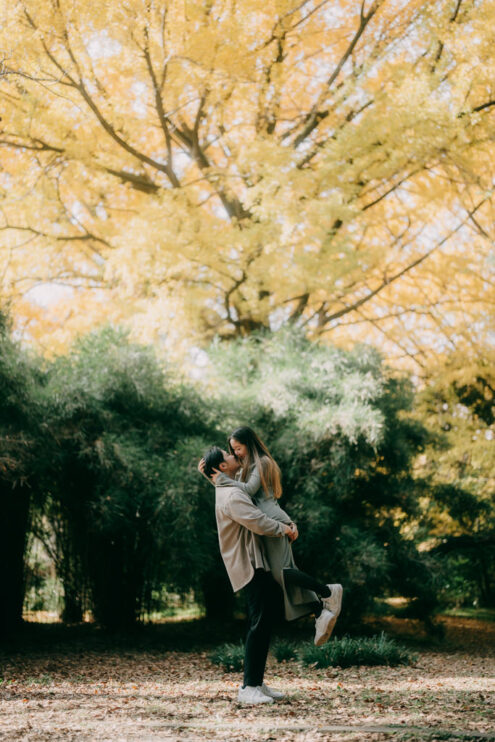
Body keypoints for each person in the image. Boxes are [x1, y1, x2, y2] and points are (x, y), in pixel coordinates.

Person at [207, 426, 343, 639]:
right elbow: (231, 494)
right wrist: (211, 476)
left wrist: (220, 480)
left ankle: (327, 592)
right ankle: (319, 611)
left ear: (250, 444)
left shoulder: (262, 462)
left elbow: (247, 491)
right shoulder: (246, 466)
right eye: (232, 451)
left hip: (272, 519)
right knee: (279, 574)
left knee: (282, 571)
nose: (236, 454)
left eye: (238, 448)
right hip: (267, 522)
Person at [203, 446, 297, 705]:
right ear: (222, 467)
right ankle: (249, 687)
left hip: (256, 563)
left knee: (263, 622)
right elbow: (257, 521)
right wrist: (285, 529)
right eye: (229, 455)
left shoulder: (228, 487)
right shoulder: (232, 495)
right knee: (259, 623)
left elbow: (234, 478)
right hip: (249, 565)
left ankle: (255, 681)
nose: (234, 456)